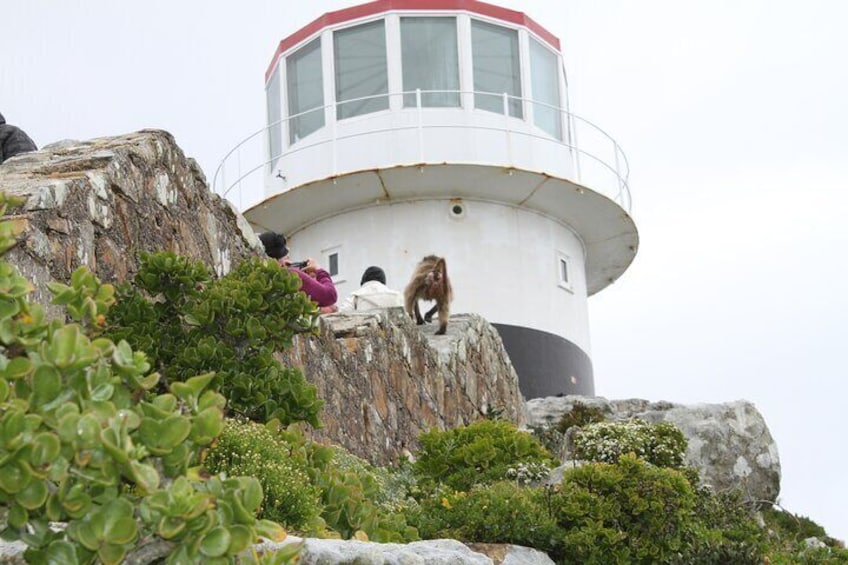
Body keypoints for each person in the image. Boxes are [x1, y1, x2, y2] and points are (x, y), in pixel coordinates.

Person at [258, 231, 338, 313]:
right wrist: (319, 270)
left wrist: (309, 279)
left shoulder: (258, 276)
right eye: (286, 257)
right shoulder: (289, 274)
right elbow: (330, 296)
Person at [338, 266, 403, 312]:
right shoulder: (396, 296)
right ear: (383, 281)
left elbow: (341, 316)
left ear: (363, 281)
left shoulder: (354, 297)